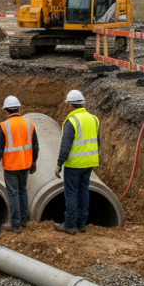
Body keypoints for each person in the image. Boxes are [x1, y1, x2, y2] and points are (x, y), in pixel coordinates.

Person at [0, 95, 39, 233]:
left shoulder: (3, 126)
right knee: (23, 189)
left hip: (11, 165)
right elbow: (35, 145)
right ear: (18, 108)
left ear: (6, 111)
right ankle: (24, 218)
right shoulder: (29, 123)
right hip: (25, 163)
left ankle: (16, 224)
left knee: (13, 193)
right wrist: (34, 161)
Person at [54, 89, 100, 235]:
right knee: (84, 192)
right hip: (89, 163)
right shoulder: (93, 119)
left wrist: (59, 163)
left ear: (71, 106)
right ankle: (81, 223)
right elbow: (98, 142)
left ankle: (70, 224)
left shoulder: (71, 121)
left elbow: (65, 145)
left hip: (74, 164)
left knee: (72, 193)